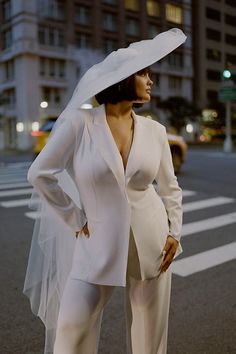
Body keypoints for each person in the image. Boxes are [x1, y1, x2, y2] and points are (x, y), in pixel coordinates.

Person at [23, 28, 186, 354]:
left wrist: (174, 232)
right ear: (124, 79)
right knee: (72, 328)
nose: (150, 81)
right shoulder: (80, 124)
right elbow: (40, 173)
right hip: (95, 241)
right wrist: (75, 217)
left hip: (152, 241)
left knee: (149, 334)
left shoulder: (155, 131)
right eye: (143, 73)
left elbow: (170, 188)